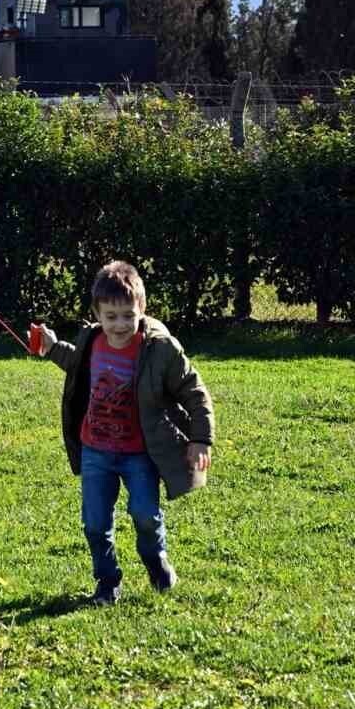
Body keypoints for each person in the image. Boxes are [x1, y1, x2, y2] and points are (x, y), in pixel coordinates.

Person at [31, 259, 214, 607]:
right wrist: (52, 347)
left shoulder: (160, 349)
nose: (120, 325)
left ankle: (156, 563)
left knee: (145, 515)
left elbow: (194, 391)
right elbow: (77, 362)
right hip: (95, 451)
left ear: (142, 310)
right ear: (97, 314)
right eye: (111, 316)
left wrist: (201, 438)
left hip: (138, 454)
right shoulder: (93, 340)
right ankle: (107, 583)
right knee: (95, 525)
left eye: (128, 315)